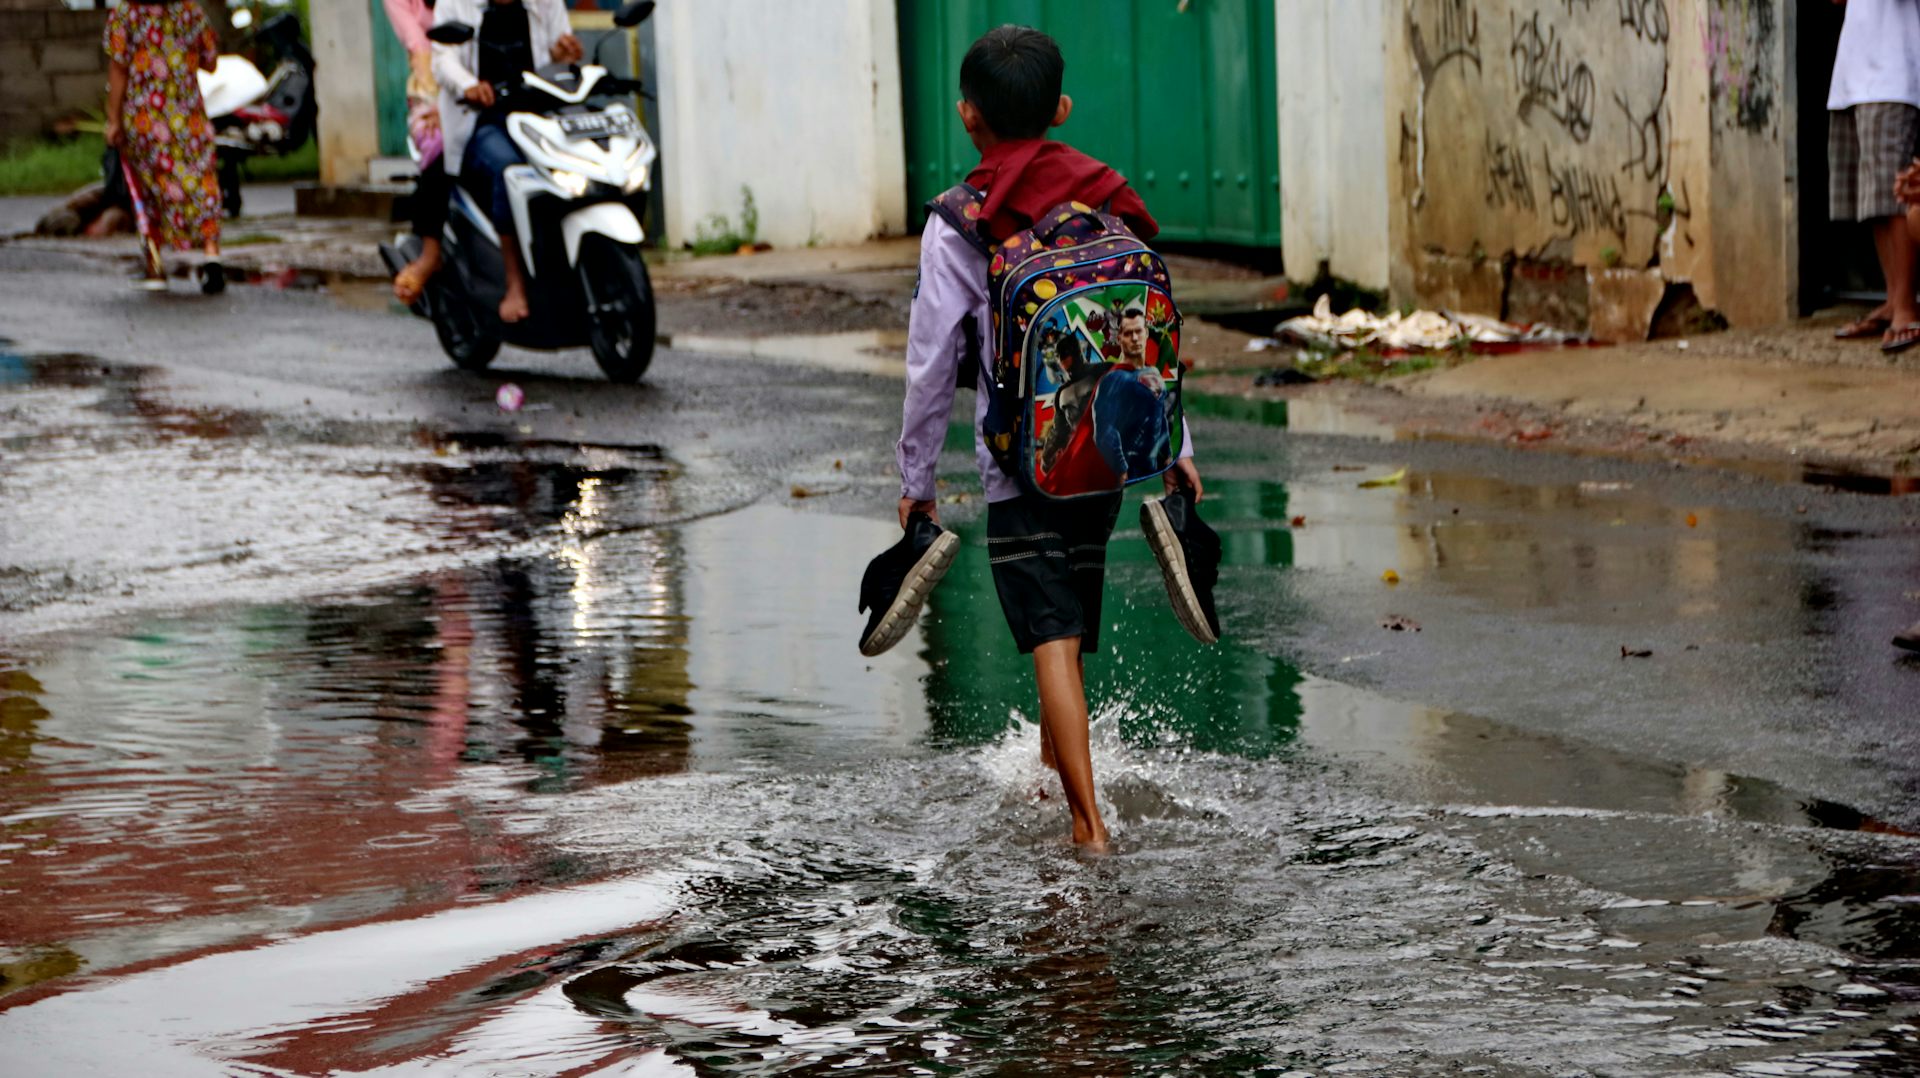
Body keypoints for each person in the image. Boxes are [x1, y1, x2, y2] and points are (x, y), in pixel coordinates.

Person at [890, 25, 1202, 851]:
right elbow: (1143, 338)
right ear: (1060, 108)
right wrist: (1178, 449)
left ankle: (1088, 824)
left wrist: (916, 479)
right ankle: (1048, 775)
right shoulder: (1102, 196)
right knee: (1063, 631)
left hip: (1018, 468)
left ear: (968, 117)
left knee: (1050, 640)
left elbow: (928, 367)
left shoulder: (961, 223)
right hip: (1102, 461)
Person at [431, 0, 582, 323]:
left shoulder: (545, 3)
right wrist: (469, 85)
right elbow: (443, 59)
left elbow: (558, 50)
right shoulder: (455, 4)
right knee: (511, 172)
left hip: (538, 117)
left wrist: (563, 55)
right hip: (481, 121)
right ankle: (515, 283)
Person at [102, 0, 225, 293]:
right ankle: (212, 257)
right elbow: (211, 62)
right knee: (201, 181)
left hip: (146, 118)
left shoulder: (125, 13)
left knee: (151, 188)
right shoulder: (190, 11)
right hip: (188, 116)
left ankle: (155, 266)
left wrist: (113, 120)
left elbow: (118, 69)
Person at [1826, 0, 1920, 353]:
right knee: (1873, 198)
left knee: (1899, 194)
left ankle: (1908, 304)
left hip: (1893, 71)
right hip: (1854, 71)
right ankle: (1893, 298)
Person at [383, 0, 452, 306]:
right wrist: (440, 101)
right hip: (432, 85)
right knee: (440, 149)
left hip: (481, 78)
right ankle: (430, 253)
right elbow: (418, 43)